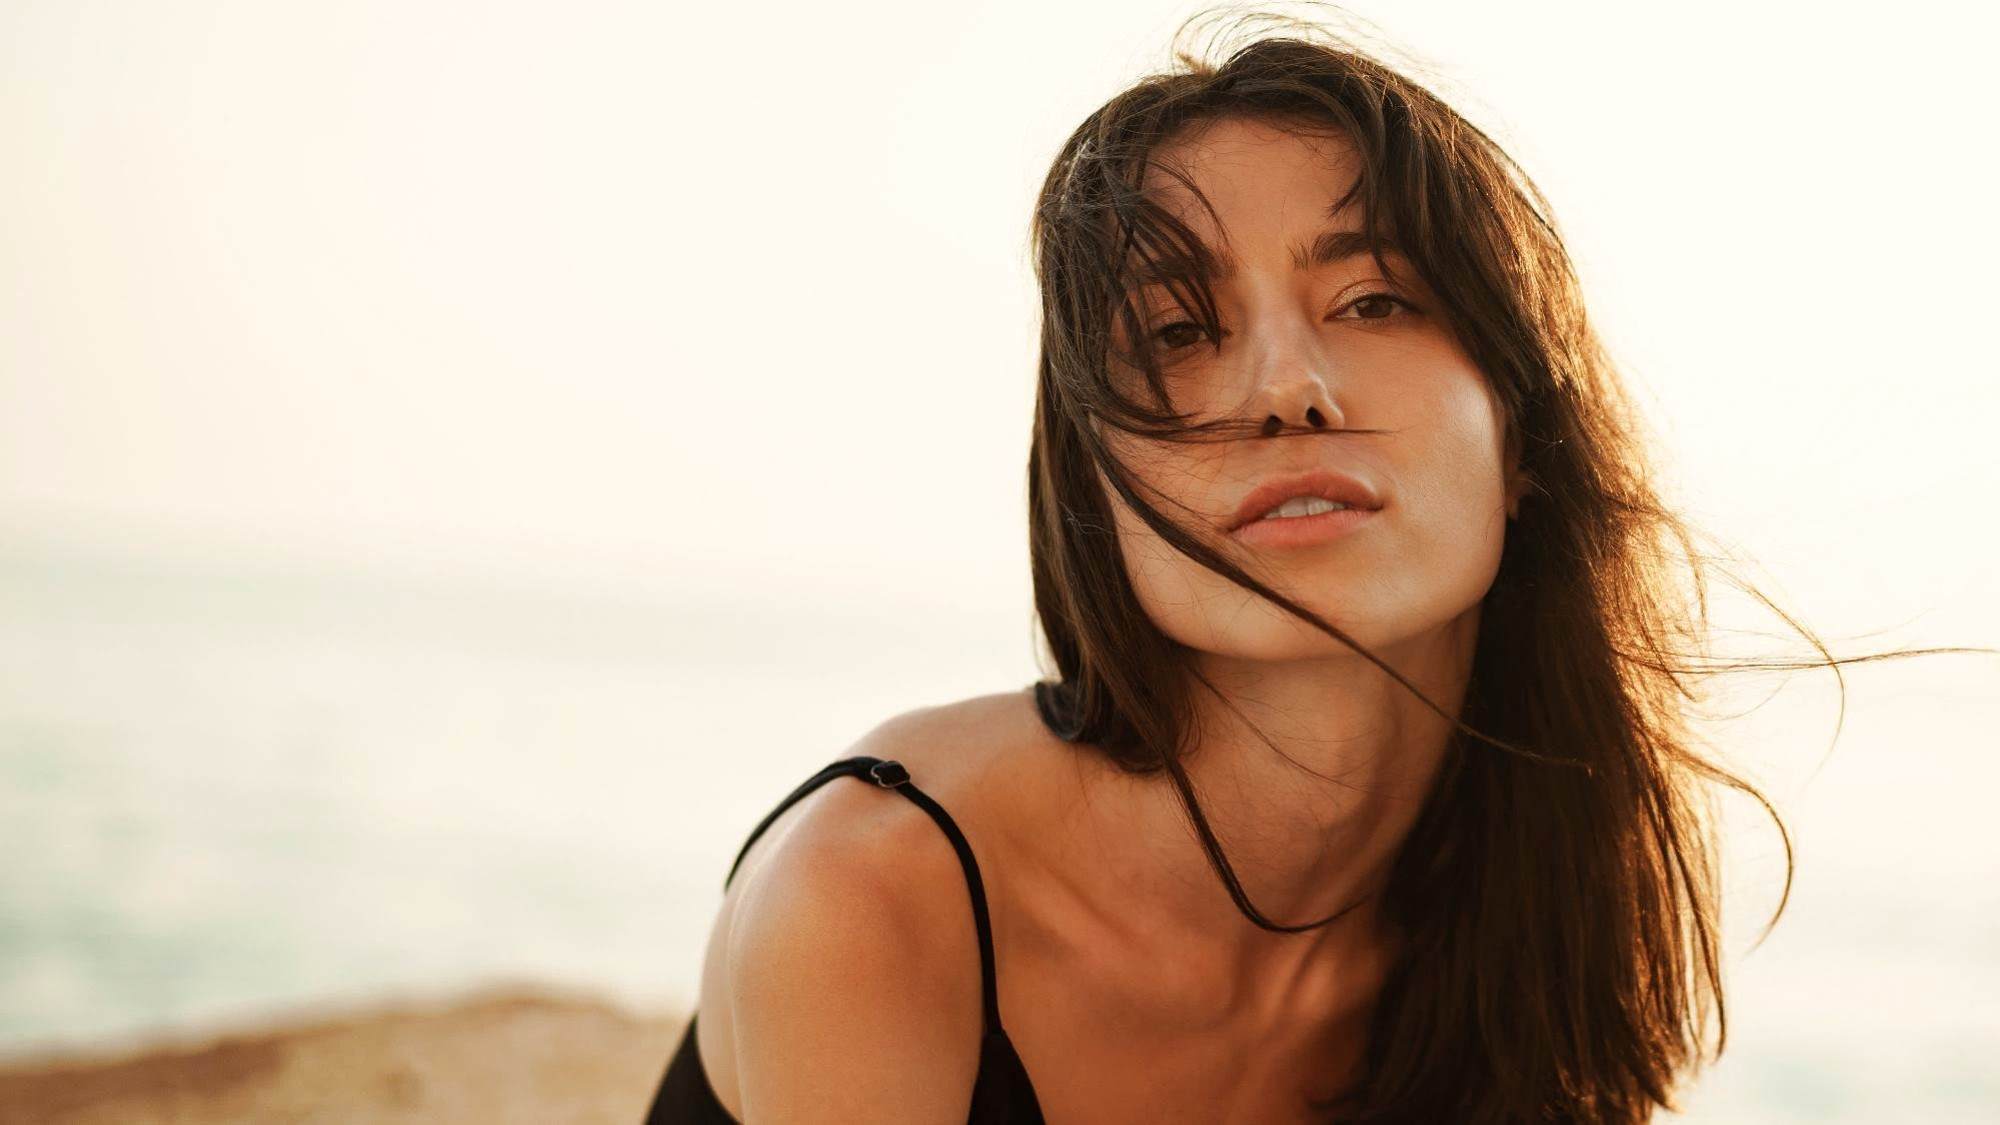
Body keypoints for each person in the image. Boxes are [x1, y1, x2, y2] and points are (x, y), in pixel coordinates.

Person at [642, 8, 1942, 1122]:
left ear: (1524, 431)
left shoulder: (1530, 932)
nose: (1287, 391)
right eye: (1176, 328)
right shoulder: (874, 892)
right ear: (1093, 485)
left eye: (1374, 299)